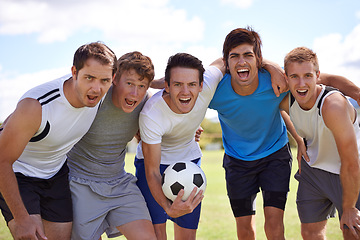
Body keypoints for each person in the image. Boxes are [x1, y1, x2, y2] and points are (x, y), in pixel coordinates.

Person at [208, 27, 360, 240]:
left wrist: (358, 95)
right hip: (239, 161)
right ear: (227, 61)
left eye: (248, 55)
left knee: (276, 222)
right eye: (235, 56)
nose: (242, 61)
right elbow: (185, 96)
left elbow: (330, 79)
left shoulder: (285, 82)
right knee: (249, 228)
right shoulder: (219, 90)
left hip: (275, 157)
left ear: (258, 59)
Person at [0, 42, 116, 240]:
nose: (96, 88)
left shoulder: (102, 91)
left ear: (112, 79)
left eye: (104, 80)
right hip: (19, 173)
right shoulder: (37, 107)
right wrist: (21, 217)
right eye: (89, 78)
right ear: (74, 72)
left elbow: (137, 81)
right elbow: (2, 160)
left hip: (55, 174)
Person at [66, 51, 157, 240]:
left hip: (119, 183)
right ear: (114, 79)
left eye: (141, 86)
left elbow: (171, 103)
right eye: (129, 83)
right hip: (80, 183)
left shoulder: (145, 102)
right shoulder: (94, 96)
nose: (135, 92)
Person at [135, 53, 225, 240]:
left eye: (192, 84)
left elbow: (227, 59)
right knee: (157, 235)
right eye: (177, 84)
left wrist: (271, 68)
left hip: (188, 163)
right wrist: (168, 207)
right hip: (153, 165)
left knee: (187, 236)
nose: (185, 91)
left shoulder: (208, 83)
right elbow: (152, 172)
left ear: (201, 85)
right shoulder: (152, 114)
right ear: (167, 85)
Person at [279, 46, 360, 240]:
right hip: (313, 171)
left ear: (318, 76)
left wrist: (349, 208)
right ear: (286, 78)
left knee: (352, 232)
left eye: (308, 75)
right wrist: (298, 139)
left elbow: (351, 161)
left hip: (349, 170)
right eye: (294, 77)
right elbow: (282, 110)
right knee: (310, 233)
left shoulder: (332, 106)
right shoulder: (285, 100)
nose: (301, 83)